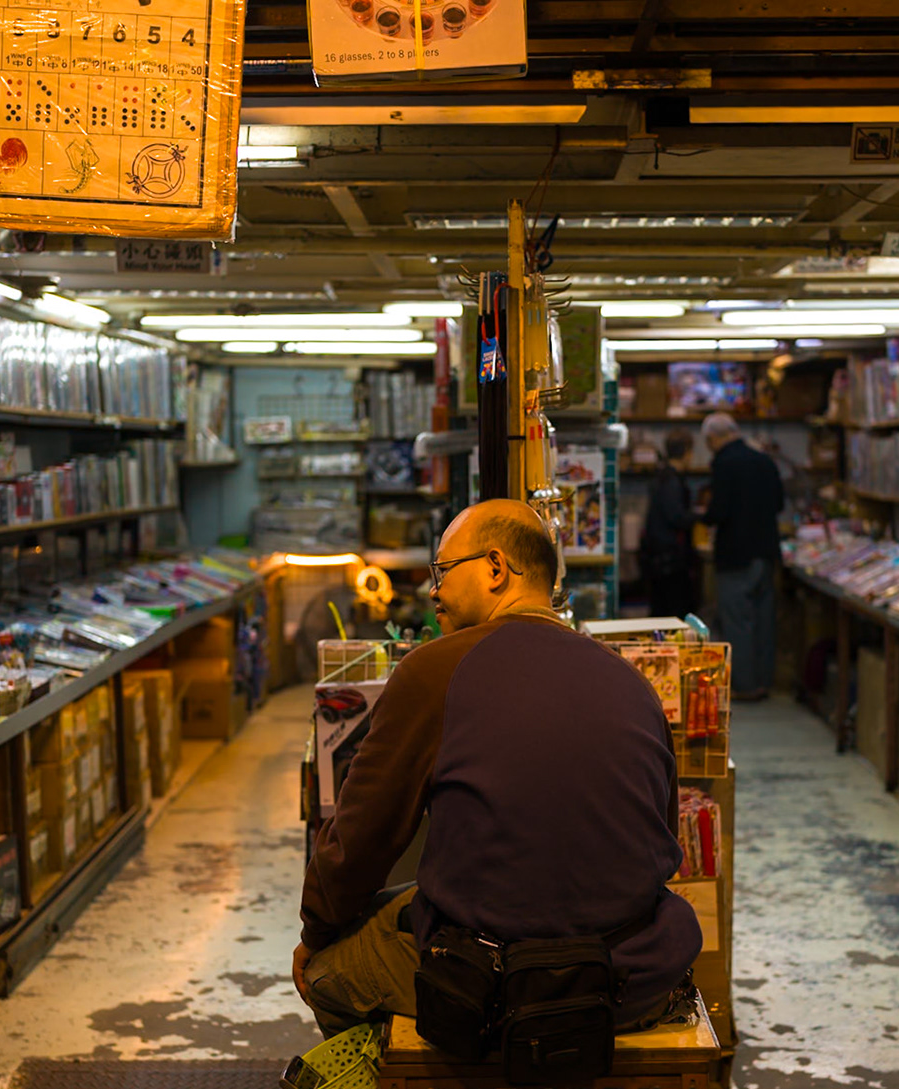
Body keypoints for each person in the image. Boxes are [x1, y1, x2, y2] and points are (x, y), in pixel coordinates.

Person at [292, 498, 701, 1039]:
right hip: (635, 975)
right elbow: (664, 838)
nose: (432, 590)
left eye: (442, 571)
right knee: (401, 905)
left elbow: (359, 843)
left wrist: (316, 931)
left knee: (328, 967)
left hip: (491, 982)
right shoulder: (629, 680)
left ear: (494, 568)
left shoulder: (434, 671)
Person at [699, 412, 784, 701]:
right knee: (763, 620)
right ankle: (763, 682)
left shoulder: (724, 463)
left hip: (736, 555)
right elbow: (779, 503)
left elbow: (718, 512)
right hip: (766, 552)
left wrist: (703, 517)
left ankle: (745, 686)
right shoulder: (764, 460)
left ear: (713, 438)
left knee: (738, 621)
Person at [639, 428, 700, 620]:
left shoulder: (661, 477)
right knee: (674, 616)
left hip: (657, 558)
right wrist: (700, 515)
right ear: (687, 452)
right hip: (669, 560)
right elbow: (677, 517)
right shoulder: (672, 481)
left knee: (661, 613)